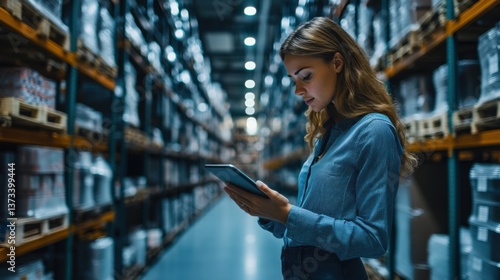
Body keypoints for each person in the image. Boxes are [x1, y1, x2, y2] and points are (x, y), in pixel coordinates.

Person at [224, 16, 417, 279]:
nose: (298, 90)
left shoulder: (375, 131)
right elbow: (316, 220)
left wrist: (288, 214)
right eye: (293, 79)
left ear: (337, 63)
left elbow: (373, 238)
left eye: (306, 76)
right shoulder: (330, 130)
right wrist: (272, 213)